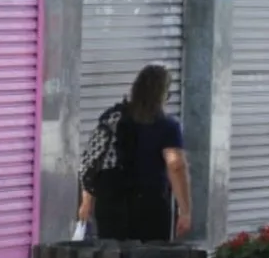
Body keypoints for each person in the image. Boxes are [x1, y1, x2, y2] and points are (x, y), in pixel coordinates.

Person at [78, 64, 192, 242]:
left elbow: (94, 159)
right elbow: (176, 165)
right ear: (162, 94)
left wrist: (87, 201)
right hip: (149, 206)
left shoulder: (112, 117)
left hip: (110, 204)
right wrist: (184, 211)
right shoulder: (166, 126)